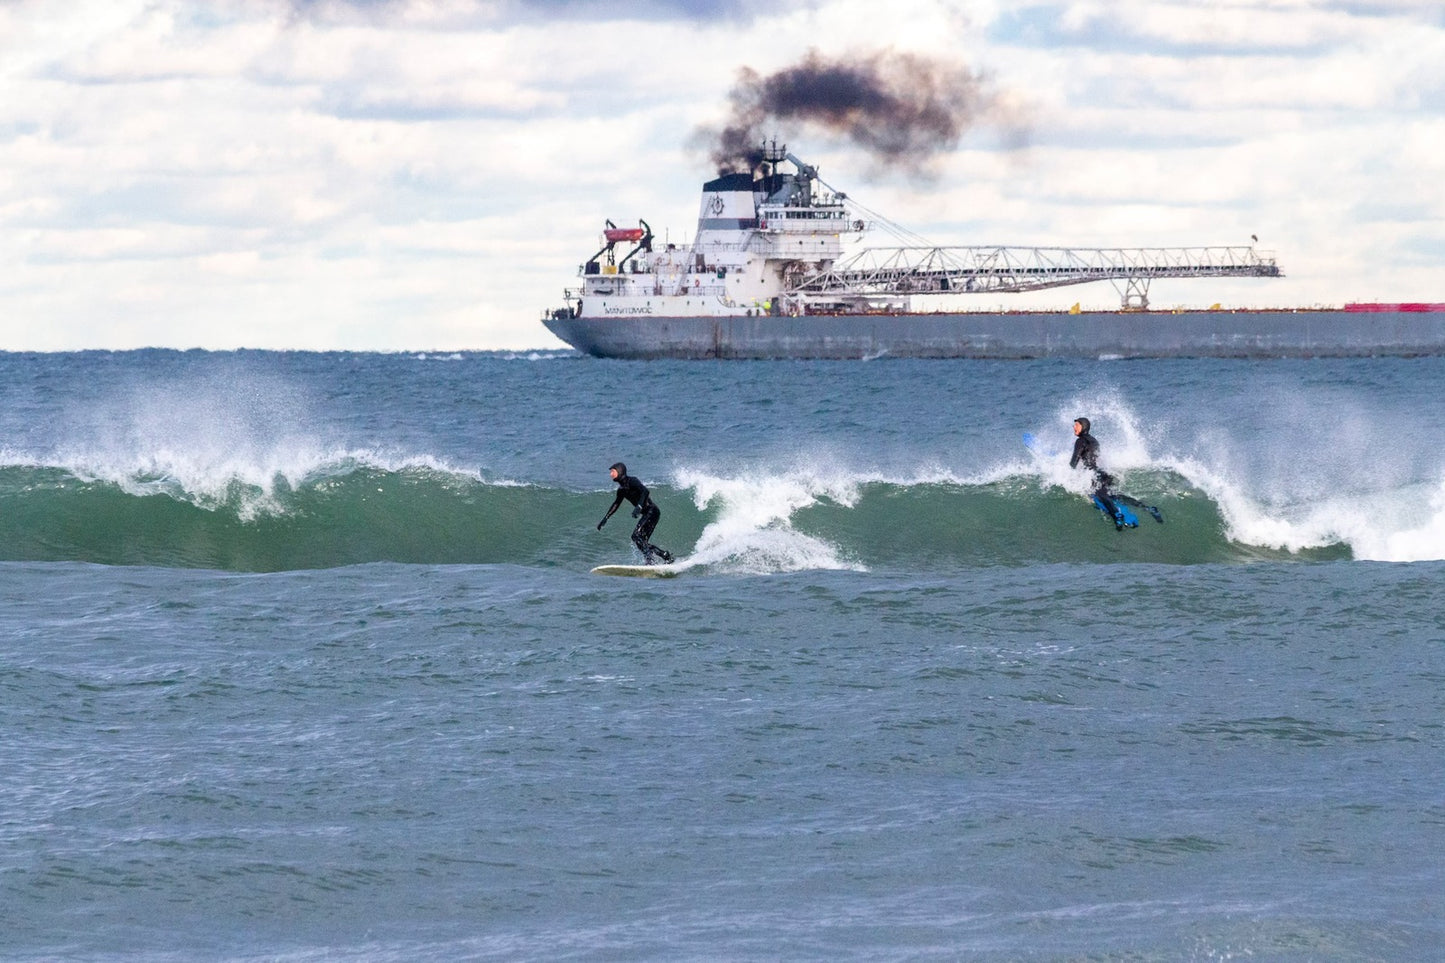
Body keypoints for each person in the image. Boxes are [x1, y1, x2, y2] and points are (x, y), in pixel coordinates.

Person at [1069, 417, 1164, 528]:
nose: (1073, 427)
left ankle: (1116, 515)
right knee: (1115, 496)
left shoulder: (1080, 441)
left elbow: (1073, 463)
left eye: (1076, 425)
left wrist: (1068, 475)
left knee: (1103, 497)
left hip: (1093, 475)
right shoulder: (1094, 440)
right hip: (1102, 474)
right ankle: (1147, 507)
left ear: (1083, 426)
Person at [597, 462, 675, 564]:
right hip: (648, 514)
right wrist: (606, 518)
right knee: (641, 542)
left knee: (636, 536)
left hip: (652, 511)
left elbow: (645, 491)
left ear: (620, 471)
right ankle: (665, 555)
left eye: (613, 471)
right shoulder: (621, 490)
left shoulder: (632, 481)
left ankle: (650, 560)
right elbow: (616, 504)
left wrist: (639, 506)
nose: (610, 474)